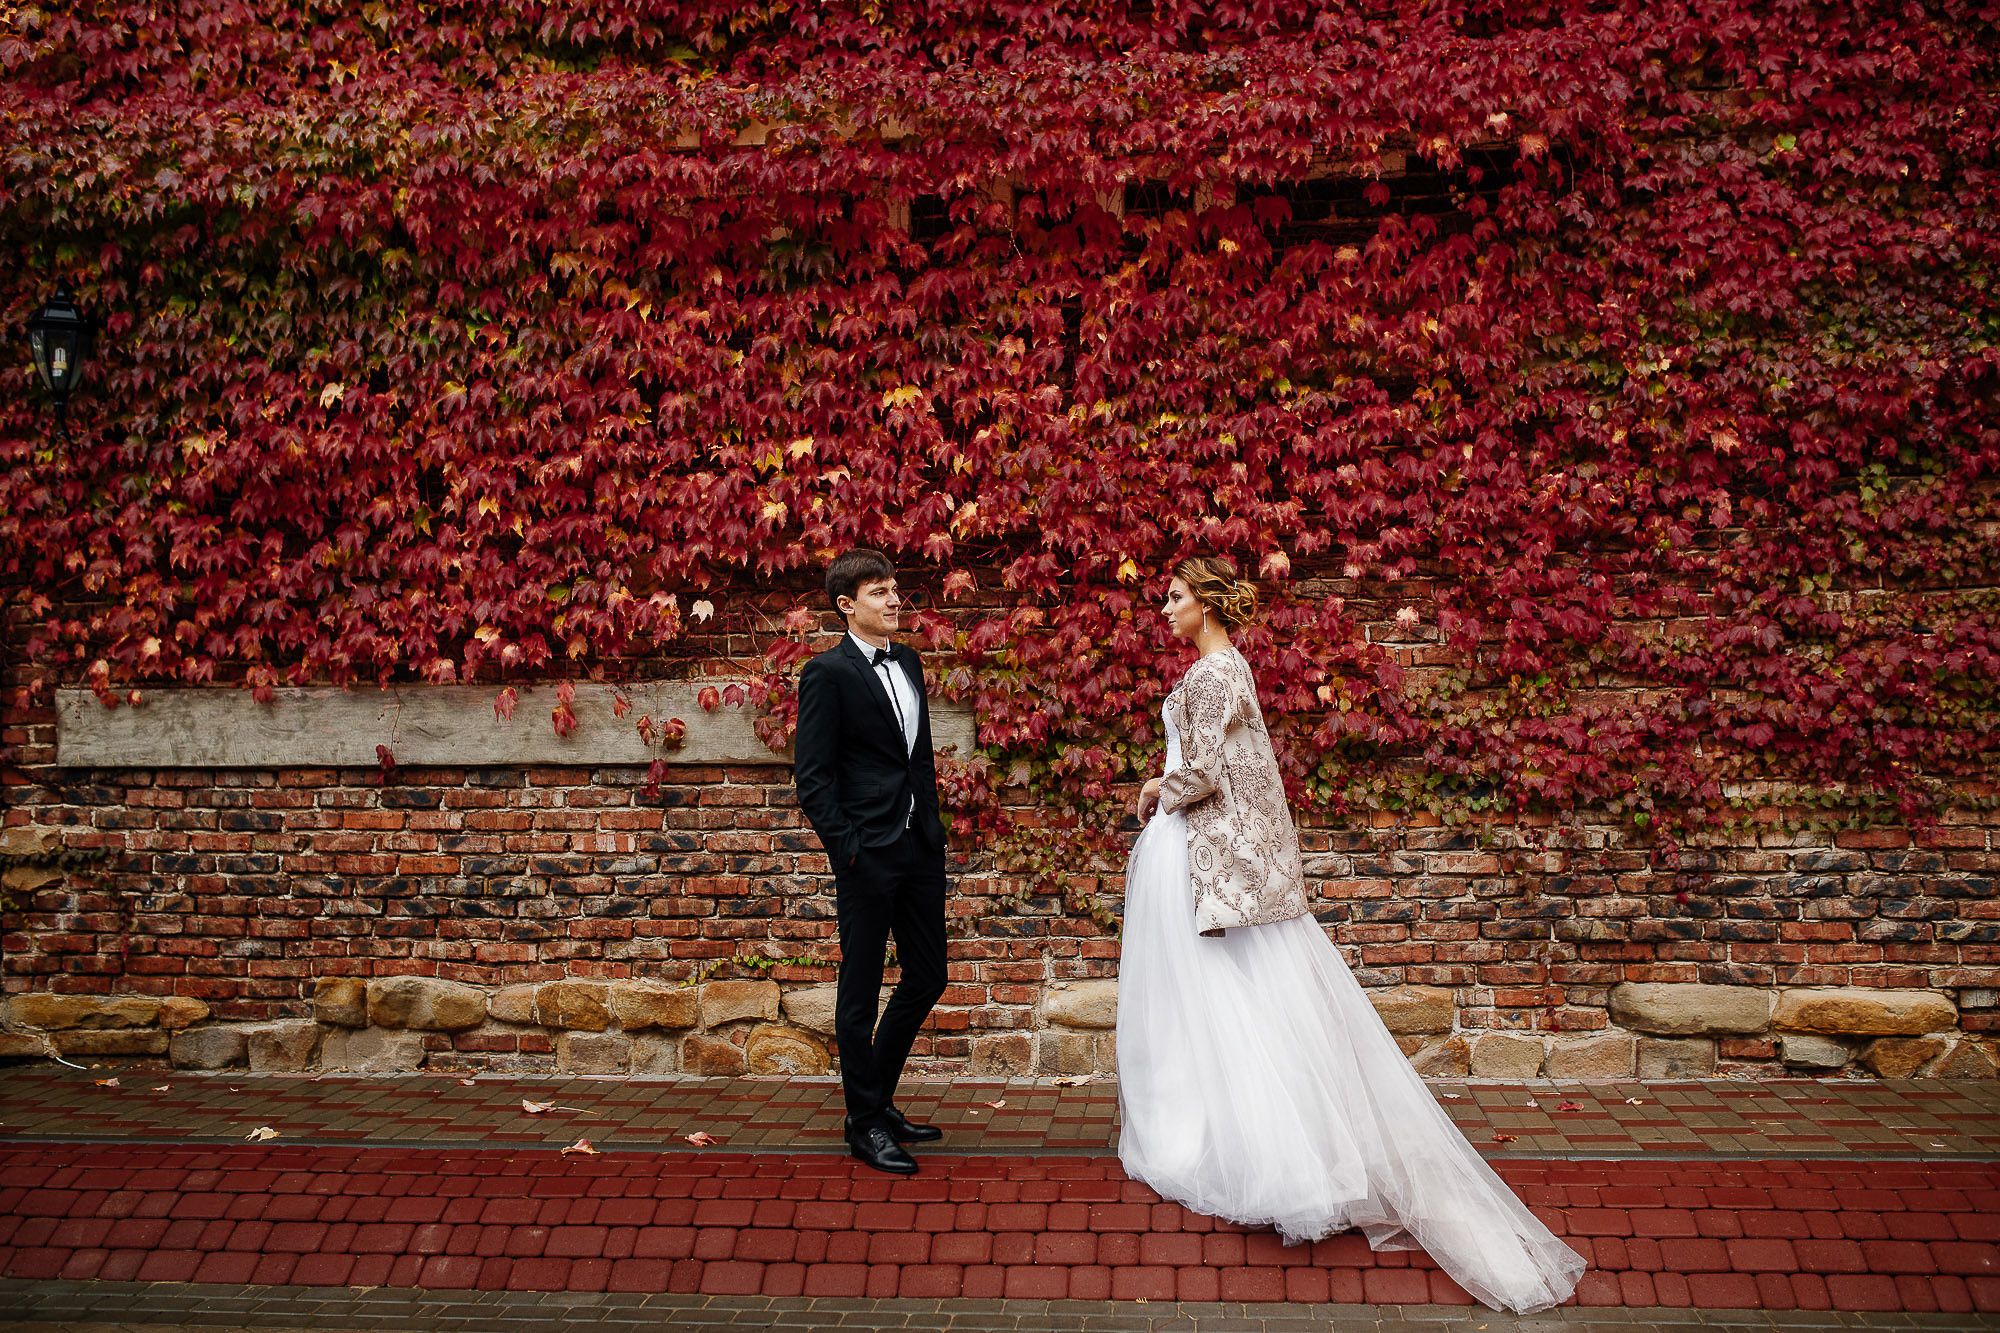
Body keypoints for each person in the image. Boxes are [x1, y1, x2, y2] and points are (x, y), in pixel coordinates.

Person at [1116, 555, 1586, 1314]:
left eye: (1174, 598)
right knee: (1239, 998)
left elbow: (1200, 773)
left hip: (1198, 853)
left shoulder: (1210, 673)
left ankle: (1249, 1147)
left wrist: (1150, 787)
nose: (1163, 609)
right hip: (1221, 856)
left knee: (1208, 1002)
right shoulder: (1233, 666)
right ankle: (1271, 1133)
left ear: (1206, 604)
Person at [792, 548, 949, 1175]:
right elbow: (813, 777)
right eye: (880, 592)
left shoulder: (908, 661)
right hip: (866, 853)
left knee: (927, 975)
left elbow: (919, 756)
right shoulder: (826, 674)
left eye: (894, 591)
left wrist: (931, 827)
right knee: (857, 992)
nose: (894, 602)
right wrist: (848, 849)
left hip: (918, 846)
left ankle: (876, 1102)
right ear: (846, 604)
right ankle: (864, 1125)